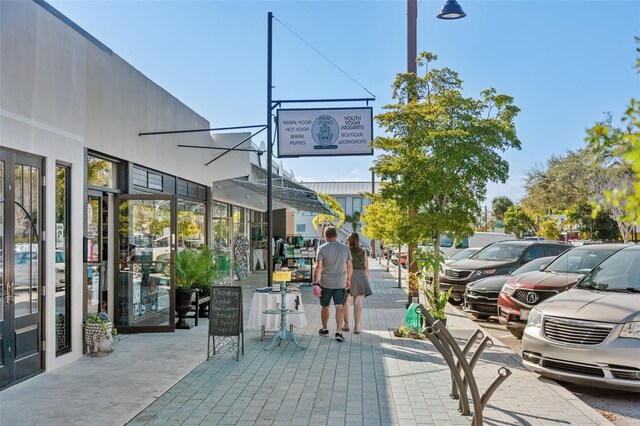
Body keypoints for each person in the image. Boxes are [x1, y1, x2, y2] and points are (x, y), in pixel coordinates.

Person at [313, 225, 352, 342]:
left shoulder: (322, 249)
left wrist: (315, 283)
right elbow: (349, 266)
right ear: (336, 235)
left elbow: (318, 267)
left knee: (325, 306)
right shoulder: (345, 249)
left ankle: (325, 329)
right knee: (339, 306)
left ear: (326, 236)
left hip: (326, 283)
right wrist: (348, 279)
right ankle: (339, 332)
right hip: (340, 283)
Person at [345, 232, 372, 334]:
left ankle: (346, 325)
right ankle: (357, 327)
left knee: (346, 302)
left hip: (349, 276)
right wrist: (367, 281)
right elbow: (366, 268)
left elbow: (346, 266)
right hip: (360, 277)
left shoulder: (347, 251)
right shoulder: (363, 251)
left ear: (350, 241)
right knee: (358, 303)